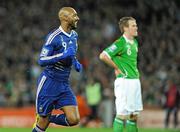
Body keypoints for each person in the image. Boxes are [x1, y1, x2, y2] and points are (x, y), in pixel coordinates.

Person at [32, 7, 82, 132]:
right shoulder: (53, 37)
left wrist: (75, 62)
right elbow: (41, 60)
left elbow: (71, 53)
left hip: (64, 84)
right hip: (49, 82)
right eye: (74, 15)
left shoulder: (74, 36)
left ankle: (49, 118)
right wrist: (62, 55)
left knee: (74, 119)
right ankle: (44, 119)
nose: (78, 18)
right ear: (65, 18)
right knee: (42, 123)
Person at [99, 17, 143, 132]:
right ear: (125, 28)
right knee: (122, 114)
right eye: (133, 25)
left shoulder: (135, 43)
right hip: (124, 82)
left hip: (135, 81)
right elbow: (103, 55)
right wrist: (117, 67)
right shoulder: (120, 42)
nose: (136, 27)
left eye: (136, 25)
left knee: (133, 115)